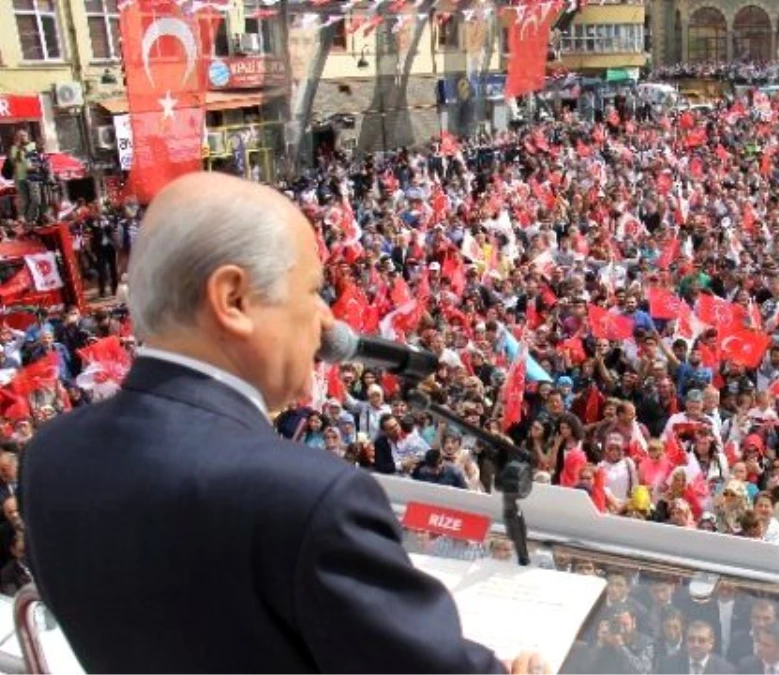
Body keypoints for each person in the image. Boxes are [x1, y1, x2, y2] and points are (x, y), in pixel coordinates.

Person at [20, 173, 539, 674]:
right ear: (234, 300)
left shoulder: (50, 456)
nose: (327, 322)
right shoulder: (310, 499)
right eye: (311, 291)